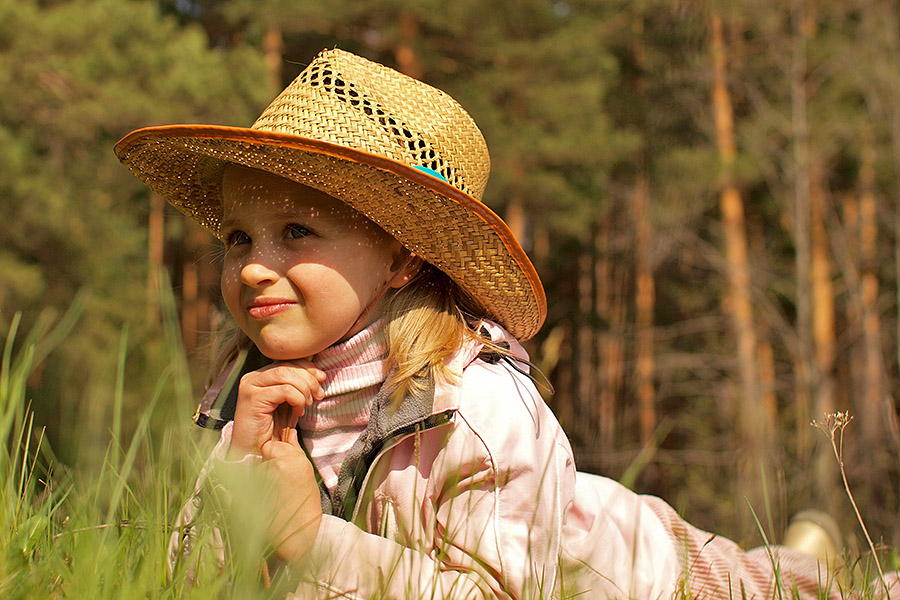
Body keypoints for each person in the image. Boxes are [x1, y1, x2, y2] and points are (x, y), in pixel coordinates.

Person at [115, 48, 895, 599]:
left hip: (634, 569)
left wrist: (306, 538)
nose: (252, 265)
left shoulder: (473, 405)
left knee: (799, 590)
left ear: (402, 258)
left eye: (297, 233)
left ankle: (810, 557)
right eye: (238, 238)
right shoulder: (246, 395)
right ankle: (806, 546)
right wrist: (231, 484)